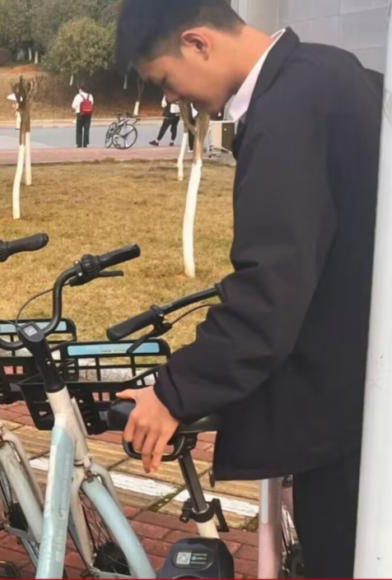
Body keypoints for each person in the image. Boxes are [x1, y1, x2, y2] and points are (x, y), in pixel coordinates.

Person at [114, 1, 380, 577]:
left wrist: (173, 393)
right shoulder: (332, 70)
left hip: (346, 421)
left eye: (167, 81)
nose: (174, 100)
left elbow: (270, 290)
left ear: (197, 43)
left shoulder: (286, 112)